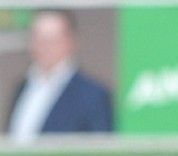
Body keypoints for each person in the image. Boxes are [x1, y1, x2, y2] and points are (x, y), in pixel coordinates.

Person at [6, 10, 114, 140]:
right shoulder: (21, 87)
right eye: (38, 38)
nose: (43, 46)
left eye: (51, 39)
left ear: (70, 41)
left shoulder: (93, 95)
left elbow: (99, 151)